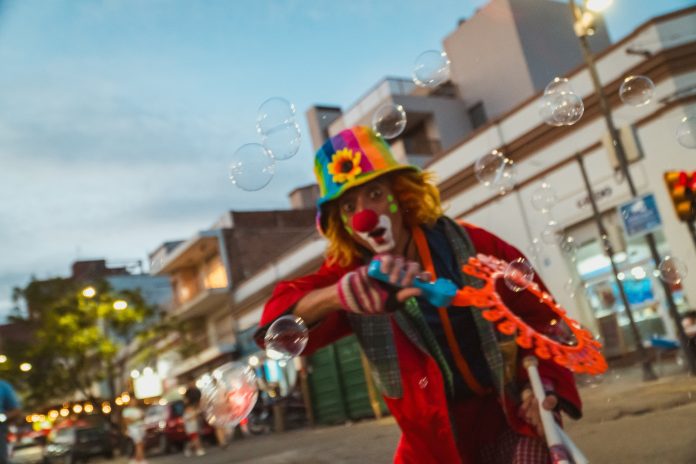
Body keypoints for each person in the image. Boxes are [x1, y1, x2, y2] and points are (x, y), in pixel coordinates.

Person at [255, 126, 582, 463]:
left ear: (400, 194)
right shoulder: (348, 273)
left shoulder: (474, 245)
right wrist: (336, 297)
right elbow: (275, 328)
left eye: (375, 194)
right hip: (433, 447)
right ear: (342, 222)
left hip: (509, 419)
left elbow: (542, 318)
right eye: (349, 207)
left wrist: (542, 385)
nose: (364, 216)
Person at [121, 396, 146, 464]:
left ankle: (139, 459)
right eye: (132, 401)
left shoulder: (138, 409)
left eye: (134, 401)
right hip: (134, 428)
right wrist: (137, 418)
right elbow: (127, 421)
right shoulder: (126, 411)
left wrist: (136, 418)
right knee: (138, 443)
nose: (133, 402)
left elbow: (143, 417)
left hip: (141, 427)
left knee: (141, 444)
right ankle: (140, 460)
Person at [0, 380, 20, 464]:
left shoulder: (2, 386)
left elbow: (16, 410)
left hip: (1, 427)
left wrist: (3, 417)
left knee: (1, 459)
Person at [183, 382, 205, 457]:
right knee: (195, 437)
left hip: (194, 424)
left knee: (196, 436)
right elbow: (188, 418)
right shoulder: (187, 409)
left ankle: (190, 448)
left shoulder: (197, 392)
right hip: (191, 426)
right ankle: (198, 449)